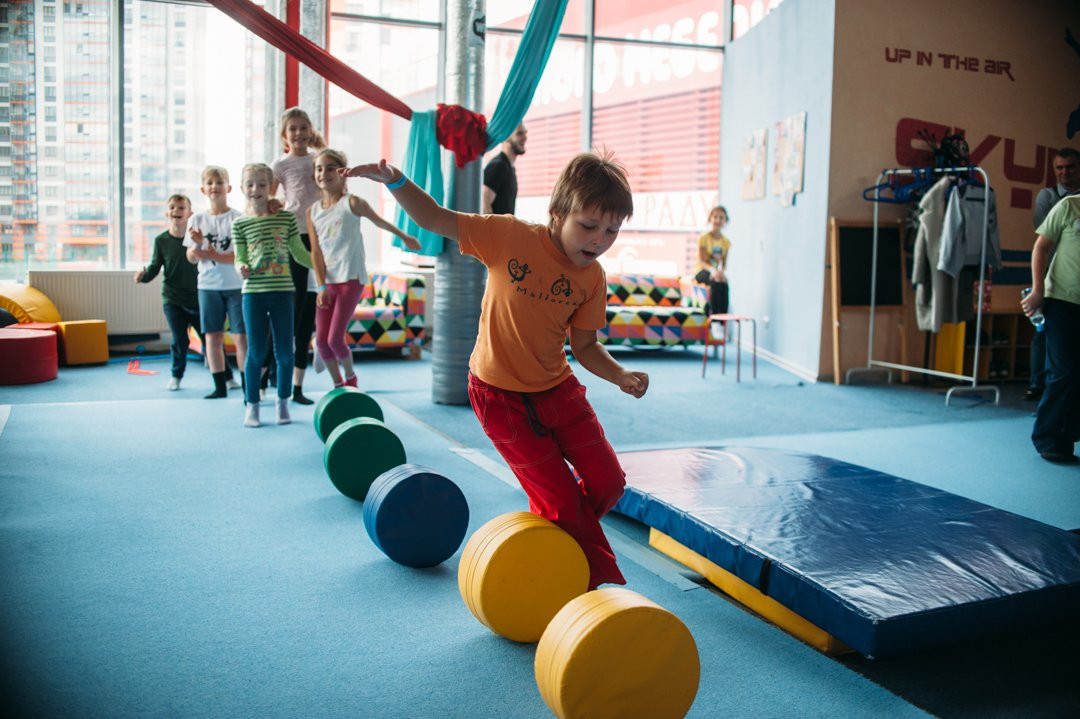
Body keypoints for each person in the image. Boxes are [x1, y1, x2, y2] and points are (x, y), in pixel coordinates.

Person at [341, 151, 649, 590]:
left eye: (612, 230)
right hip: (498, 397)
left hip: (557, 390)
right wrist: (395, 180)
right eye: (589, 225)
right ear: (558, 213)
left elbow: (585, 345)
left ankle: (552, 532)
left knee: (609, 483)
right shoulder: (507, 235)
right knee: (561, 500)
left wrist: (619, 374)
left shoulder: (592, 277)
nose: (600, 239)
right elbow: (434, 219)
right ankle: (592, 583)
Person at [308, 149, 421, 389]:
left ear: (342, 173)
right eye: (318, 168)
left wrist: (405, 237)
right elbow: (315, 252)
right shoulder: (313, 211)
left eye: (330, 168)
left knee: (335, 340)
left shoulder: (352, 203)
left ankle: (351, 379)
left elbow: (379, 221)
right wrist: (320, 285)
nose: (323, 173)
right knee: (321, 343)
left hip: (351, 278)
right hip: (326, 282)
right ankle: (338, 385)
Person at [233, 162, 312, 428]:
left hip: (282, 292)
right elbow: (239, 257)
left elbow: (299, 252)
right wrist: (240, 267)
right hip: (253, 294)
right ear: (243, 188)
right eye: (251, 184)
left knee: (284, 352)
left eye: (262, 184)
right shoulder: (240, 224)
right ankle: (252, 405)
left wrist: (322, 264)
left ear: (271, 187)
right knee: (255, 352)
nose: (256, 189)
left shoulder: (286, 218)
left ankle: (282, 403)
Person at [271, 107, 325, 405]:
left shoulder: (318, 159)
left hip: (318, 235)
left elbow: (331, 188)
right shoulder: (280, 164)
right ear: (285, 135)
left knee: (307, 308)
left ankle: (298, 386)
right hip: (291, 237)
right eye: (293, 129)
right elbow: (272, 197)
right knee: (288, 307)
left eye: (304, 127)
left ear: (310, 130)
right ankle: (273, 374)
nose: (299, 133)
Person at [1021, 193, 1080, 464]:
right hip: (1061, 301)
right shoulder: (1069, 206)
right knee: (1063, 371)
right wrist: (1037, 291)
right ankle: (1046, 437)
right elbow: (1040, 248)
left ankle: (1066, 438)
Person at [185, 165, 248, 399]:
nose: (215, 187)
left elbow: (240, 256)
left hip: (236, 286)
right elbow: (190, 257)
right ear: (203, 189)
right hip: (208, 287)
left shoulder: (238, 218)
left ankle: (246, 384)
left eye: (219, 182)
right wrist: (197, 247)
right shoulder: (197, 219)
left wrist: (212, 255)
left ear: (228, 187)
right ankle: (219, 386)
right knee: (212, 337)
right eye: (210, 183)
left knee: (241, 337)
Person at [1025, 148, 1080, 401]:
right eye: (1059, 168)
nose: (1064, 172)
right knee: (1043, 337)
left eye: (1069, 167)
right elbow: (1044, 242)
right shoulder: (1051, 198)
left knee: (1069, 368)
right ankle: (1036, 384)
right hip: (1053, 280)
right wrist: (1038, 290)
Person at [135, 194, 201, 392]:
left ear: (190, 213)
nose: (177, 211)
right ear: (167, 213)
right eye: (172, 207)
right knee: (180, 339)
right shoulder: (161, 240)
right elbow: (155, 267)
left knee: (210, 336)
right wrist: (143, 276)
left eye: (181, 208)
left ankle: (225, 375)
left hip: (197, 298)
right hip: (172, 298)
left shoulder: (197, 238)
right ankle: (176, 375)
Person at [695, 205, 732, 338]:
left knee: (724, 283)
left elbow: (724, 264)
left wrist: (721, 273)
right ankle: (715, 321)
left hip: (716, 272)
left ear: (725, 221)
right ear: (710, 218)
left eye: (721, 217)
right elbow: (703, 261)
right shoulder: (704, 238)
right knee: (716, 281)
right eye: (715, 216)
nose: (718, 220)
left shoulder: (726, 242)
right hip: (702, 271)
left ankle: (723, 322)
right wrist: (713, 271)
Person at [482, 123, 527, 215]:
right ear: (505, 137)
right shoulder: (498, 166)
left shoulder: (509, 167)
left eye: (525, 133)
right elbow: (483, 206)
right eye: (519, 133)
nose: (525, 137)